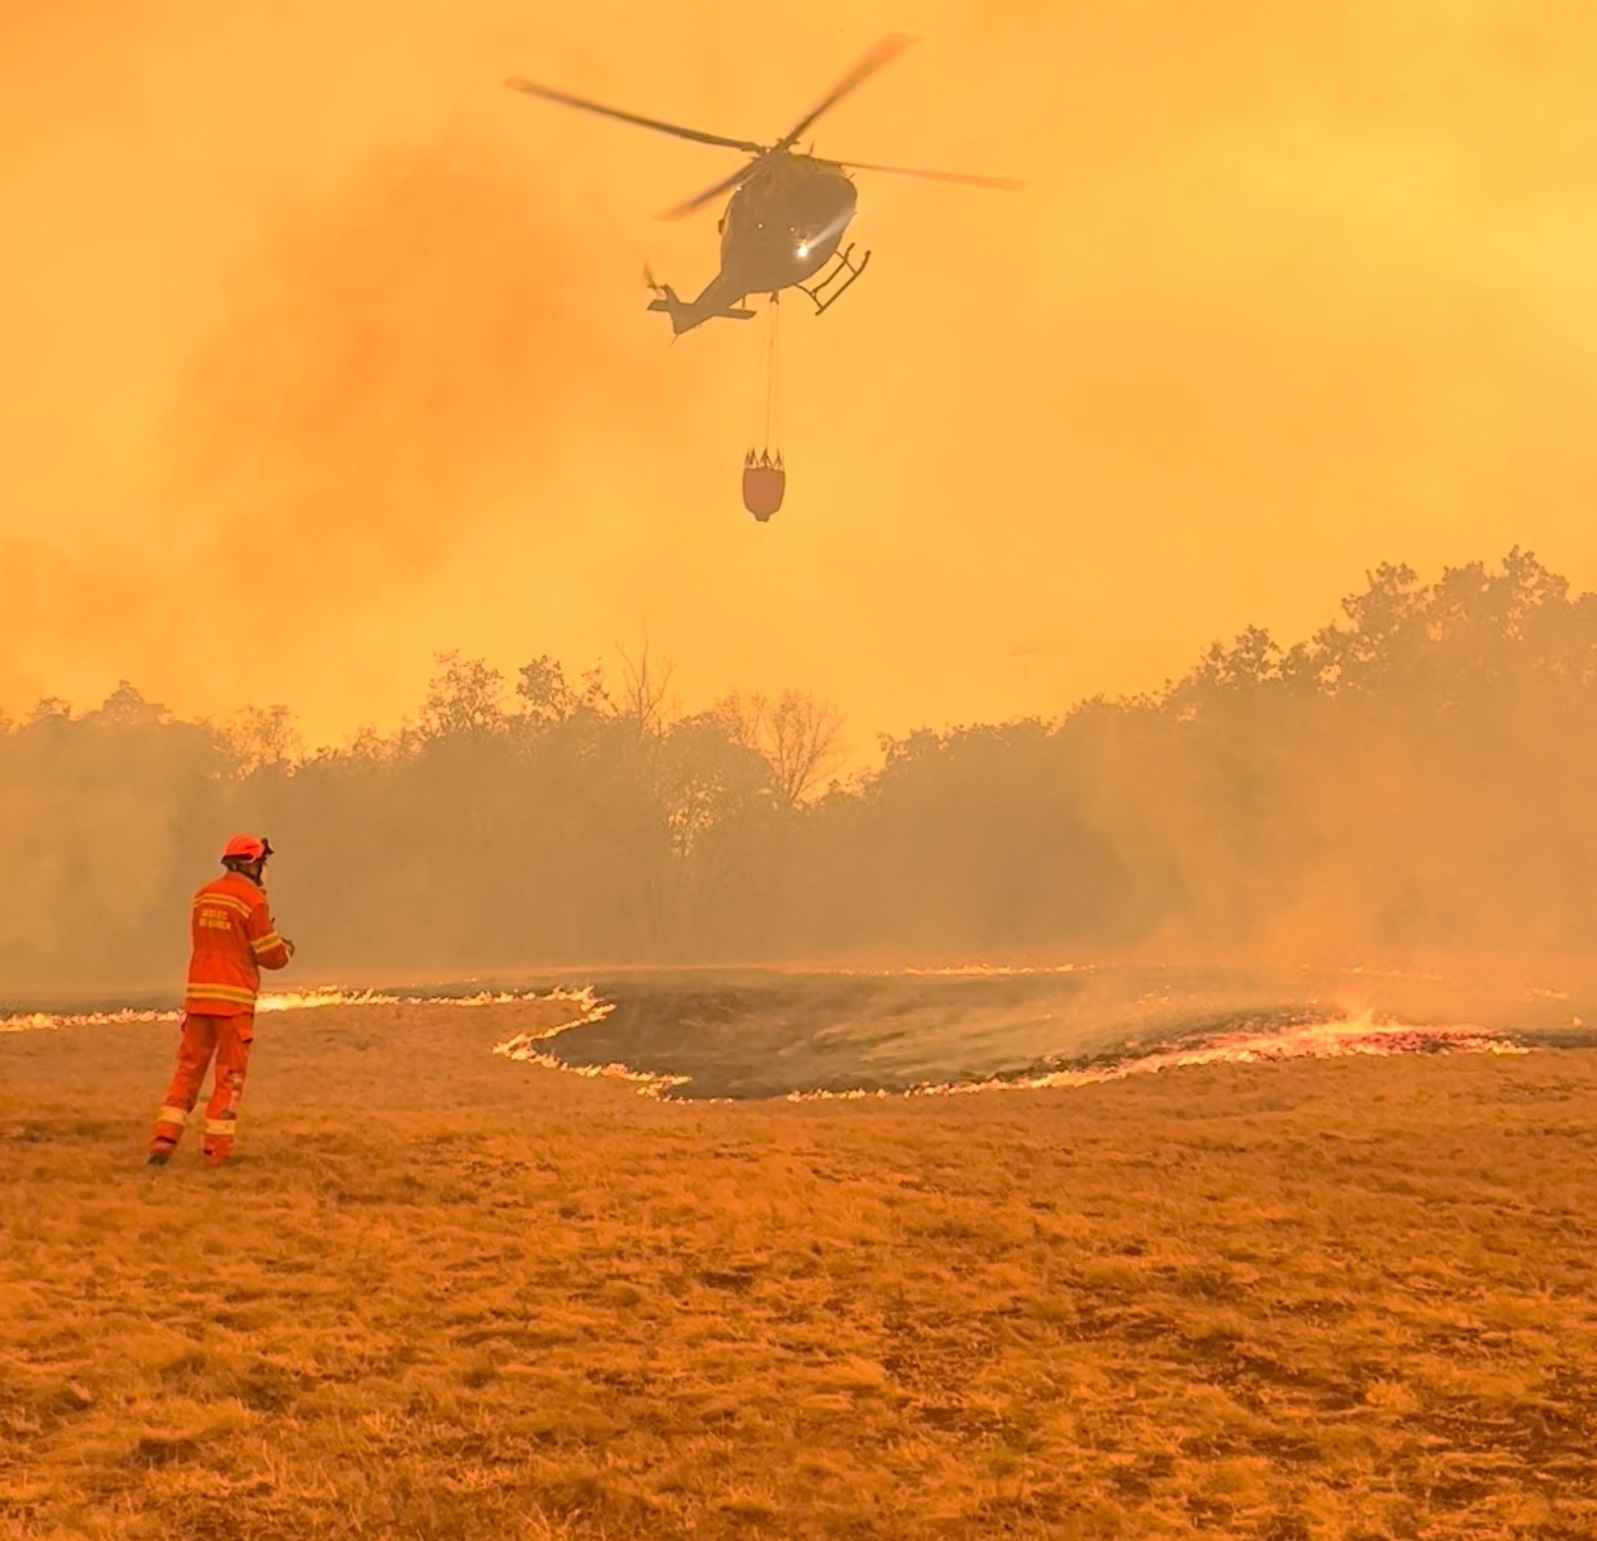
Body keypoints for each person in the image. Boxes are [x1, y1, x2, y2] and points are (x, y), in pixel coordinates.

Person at [147, 835, 294, 1168]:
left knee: (187, 1071)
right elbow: (268, 953)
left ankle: (162, 1142)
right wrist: (285, 951)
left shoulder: (203, 895)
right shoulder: (252, 900)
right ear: (250, 863)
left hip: (199, 1000)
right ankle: (216, 1154)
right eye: (261, 863)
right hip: (233, 1004)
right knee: (228, 1078)